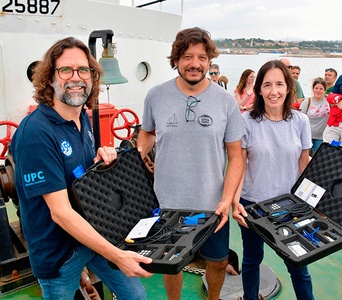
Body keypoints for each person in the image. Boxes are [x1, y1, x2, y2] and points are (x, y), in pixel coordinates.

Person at [10, 37, 152, 300]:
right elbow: (61, 213)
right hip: (59, 254)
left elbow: (78, 177)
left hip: (92, 235)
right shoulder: (36, 133)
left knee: (136, 297)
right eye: (66, 70)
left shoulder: (81, 118)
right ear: (49, 77)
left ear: (92, 76)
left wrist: (99, 162)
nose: (76, 77)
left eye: (83, 70)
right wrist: (118, 256)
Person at [137, 27, 244, 300]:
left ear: (209, 61)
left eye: (201, 57)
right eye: (187, 56)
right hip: (167, 203)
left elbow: (236, 156)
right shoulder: (156, 96)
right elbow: (148, 132)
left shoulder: (226, 102)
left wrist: (227, 198)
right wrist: (138, 152)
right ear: (176, 60)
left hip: (212, 205)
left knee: (218, 261)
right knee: (171, 263)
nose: (194, 64)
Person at [232, 60, 314, 300]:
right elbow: (239, 164)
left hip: (289, 205)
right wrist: (235, 203)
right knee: (251, 259)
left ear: (289, 87)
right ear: (258, 90)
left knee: (298, 263)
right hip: (252, 204)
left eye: (279, 84)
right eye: (267, 85)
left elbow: (304, 163)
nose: (274, 91)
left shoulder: (301, 121)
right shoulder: (246, 121)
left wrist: (313, 202)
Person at [300, 77, 330, 154]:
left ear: (324, 90)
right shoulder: (307, 101)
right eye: (316, 88)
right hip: (307, 136)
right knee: (306, 158)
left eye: (321, 89)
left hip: (321, 136)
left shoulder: (328, 101)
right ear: (313, 89)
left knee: (319, 158)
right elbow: (300, 119)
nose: (318, 91)